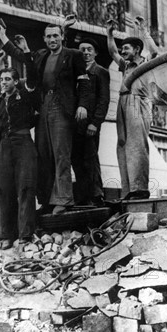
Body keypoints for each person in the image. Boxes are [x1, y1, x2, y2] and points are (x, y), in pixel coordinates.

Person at [0, 23, 91, 215]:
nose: (52, 40)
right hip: (43, 105)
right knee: (44, 154)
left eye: (55, 36)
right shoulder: (41, 55)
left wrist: (82, 105)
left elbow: (84, 82)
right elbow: (22, 57)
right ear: (44, 38)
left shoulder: (73, 55)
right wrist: (3, 38)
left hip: (62, 106)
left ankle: (63, 199)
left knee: (61, 153)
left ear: (62, 36)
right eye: (48, 37)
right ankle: (47, 200)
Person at [106, 18, 159, 200]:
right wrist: (109, 33)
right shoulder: (125, 66)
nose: (123, 51)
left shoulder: (146, 63)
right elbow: (112, 52)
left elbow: (156, 51)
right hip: (122, 103)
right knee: (122, 145)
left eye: (126, 48)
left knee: (137, 146)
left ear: (136, 49)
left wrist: (144, 30)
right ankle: (128, 190)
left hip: (138, 104)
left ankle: (140, 189)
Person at [0, 68, 40, 250]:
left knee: (25, 188)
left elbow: (33, 84)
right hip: (4, 147)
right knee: (4, 190)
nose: (3, 82)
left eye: (8, 79)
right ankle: (6, 235)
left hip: (24, 144)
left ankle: (25, 234)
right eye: (1, 79)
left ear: (16, 81)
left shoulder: (25, 97)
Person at [71, 39, 110, 207]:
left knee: (90, 159)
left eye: (89, 49)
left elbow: (104, 100)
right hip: (74, 124)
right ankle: (82, 197)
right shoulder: (75, 71)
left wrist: (96, 123)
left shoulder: (100, 72)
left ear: (95, 53)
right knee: (76, 160)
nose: (86, 53)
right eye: (82, 50)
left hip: (90, 125)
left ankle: (96, 195)